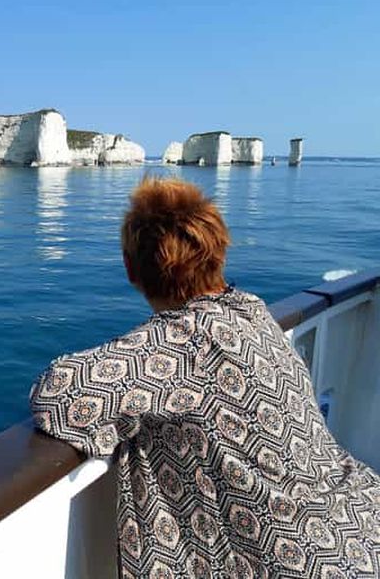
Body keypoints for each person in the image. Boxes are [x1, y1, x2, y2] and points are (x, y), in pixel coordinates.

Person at [30, 176, 380, 578]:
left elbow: (58, 395)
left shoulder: (179, 343)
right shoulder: (252, 311)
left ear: (131, 269)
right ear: (218, 254)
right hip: (361, 523)